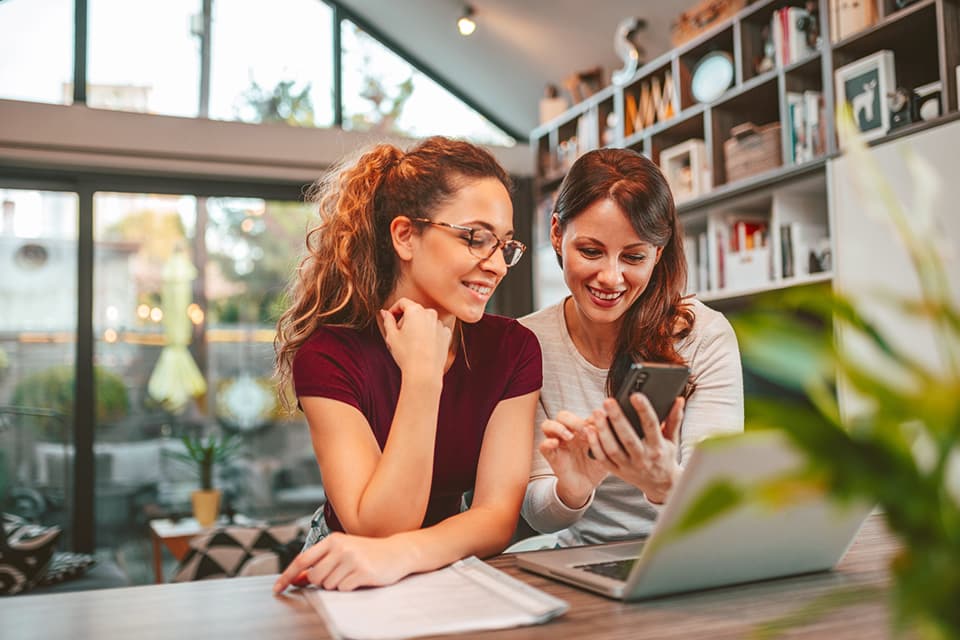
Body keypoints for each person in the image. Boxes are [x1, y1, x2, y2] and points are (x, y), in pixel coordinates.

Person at [272, 137, 541, 592]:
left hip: (446, 558)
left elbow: (496, 518)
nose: (496, 265)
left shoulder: (512, 349)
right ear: (405, 236)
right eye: (476, 238)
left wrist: (413, 554)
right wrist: (422, 377)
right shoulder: (328, 354)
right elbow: (376, 532)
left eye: (505, 246)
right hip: (349, 571)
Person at [520, 147, 743, 546]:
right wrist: (573, 487)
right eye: (590, 251)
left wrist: (663, 484)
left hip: (689, 552)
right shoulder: (527, 344)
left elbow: (718, 505)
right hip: (581, 560)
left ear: (658, 253)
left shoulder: (703, 334)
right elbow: (538, 515)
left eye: (633, 256)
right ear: (556, 233)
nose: (611, 277)